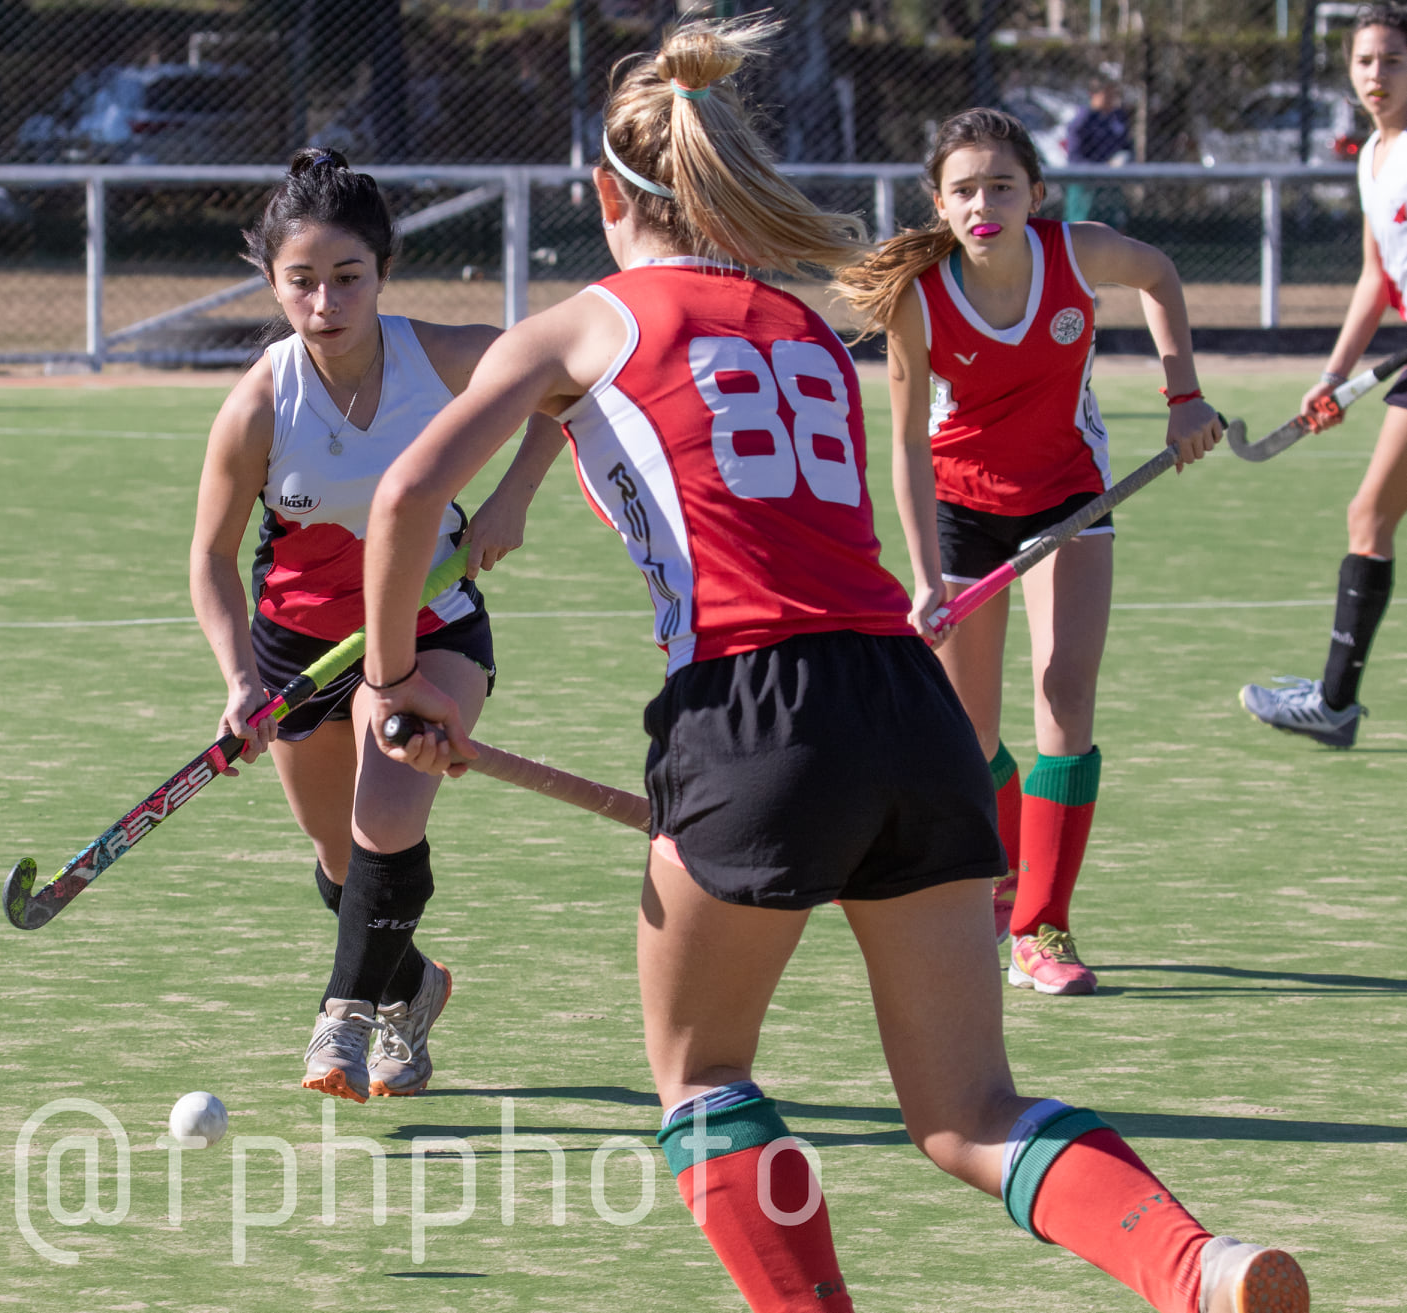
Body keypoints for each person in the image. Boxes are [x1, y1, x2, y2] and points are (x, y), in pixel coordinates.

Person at [355, 20, 1307, 1313]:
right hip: (907, 704)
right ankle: (1195, 1261)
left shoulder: (587, 320)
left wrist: (392, 676)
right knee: (969, 1106)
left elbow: (408, 494)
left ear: (602, 197)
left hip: (748, 705)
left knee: (703, 1078)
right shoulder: (798, 325)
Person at [188, 147, 566, 1102]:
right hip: (297, 650)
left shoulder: (441, 356)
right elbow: (212, 558)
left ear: (383, 272)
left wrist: (513, 495)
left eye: (347, 277)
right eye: (301, 282)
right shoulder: (257, 403)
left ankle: (342, 1020)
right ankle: (414, 989)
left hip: (431, 620)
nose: (326, 302)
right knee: (342, 862)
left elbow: (571, 380)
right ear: (272, 285)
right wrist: (240, 680)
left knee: (386, 820)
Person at [835, 107, 1222, 997]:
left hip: (1070, 494)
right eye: (963, 190)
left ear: (1034, 194)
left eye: (1002, 186)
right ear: (938, 204)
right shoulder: (919, 297)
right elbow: (902, 448)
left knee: (1064, 690)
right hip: (965, 509)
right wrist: (924, 572)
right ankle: (1002, 877)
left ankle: (1041, 924)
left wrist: (1183, 394)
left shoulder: (1075, 252)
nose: (984, 205)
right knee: (970, 735)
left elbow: (1158, 273)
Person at [1241, 3, 1407, 749]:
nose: (1377, 74)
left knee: (1368, 515)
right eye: (1366, 61)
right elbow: (1376, 274)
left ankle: (1335, 704)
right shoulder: (1374, 154)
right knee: (1368, 517)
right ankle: (1333, 704)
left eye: (1393, 60)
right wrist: (1334, 375)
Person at [1063, 80, 1131, 224]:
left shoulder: (1116, 117)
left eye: (1113, 94)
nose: (1111, 99)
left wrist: (1121, 159)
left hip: (1108, 181)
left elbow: (1125, 144)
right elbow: (1074, 157)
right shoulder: (1083, 119)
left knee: (1110, 228)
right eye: (1107, 94)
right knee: (1082, 228)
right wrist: (1099, 167)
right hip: (1085, 183)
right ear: (1093, 95)